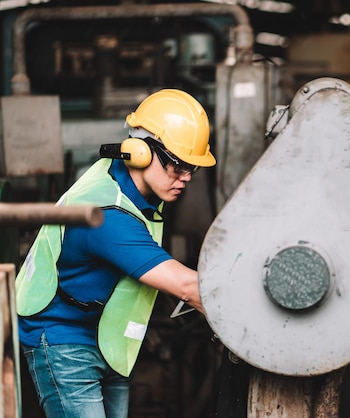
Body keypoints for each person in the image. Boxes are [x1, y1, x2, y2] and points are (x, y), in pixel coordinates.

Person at [15, 89, 216, 418]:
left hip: (107, 336)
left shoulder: (129, 182)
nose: (186, 178)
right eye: (177, 166)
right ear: (140, 152)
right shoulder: (106, 214)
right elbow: (189, 288)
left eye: (192, 168)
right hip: (64, 339)